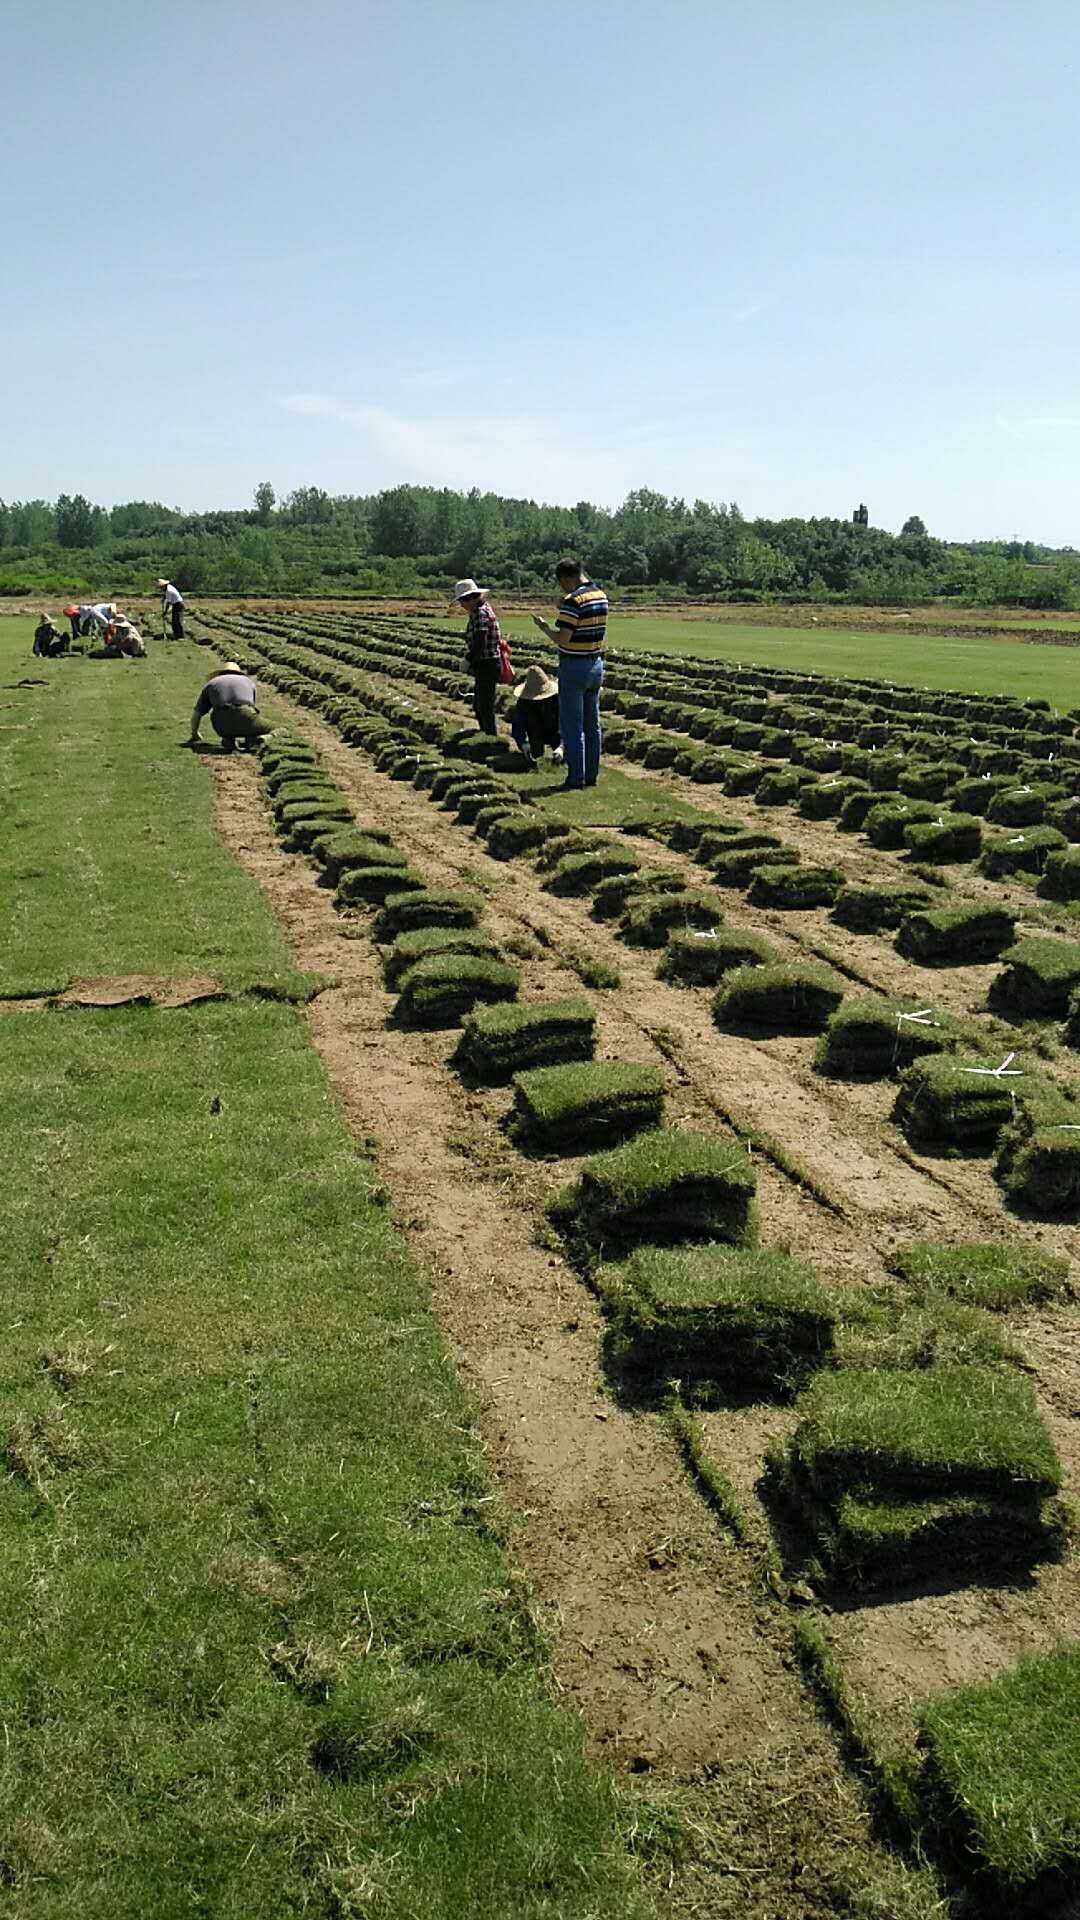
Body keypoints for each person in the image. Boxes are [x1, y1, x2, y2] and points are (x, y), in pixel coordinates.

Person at [532, 558, 608, 790]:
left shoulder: (573, 601)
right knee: (592, 725)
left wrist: (544, 627)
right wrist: (563, 607)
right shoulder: (601, 595)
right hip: (595, 663)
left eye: (562, 583)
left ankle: (575, 778)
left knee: (572, 726)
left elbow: (563, 637)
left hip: (574, 665)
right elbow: (583, 619)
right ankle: (591, 775)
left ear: (567, 578)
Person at [188, 661, 270, 752]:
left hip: (221, 724)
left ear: (221, 673)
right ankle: (260, 738)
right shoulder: (249, 682)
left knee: (226, 718)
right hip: (245, 717)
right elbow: (252, 708)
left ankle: (228, 739)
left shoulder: (212, 683)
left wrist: (195, 734)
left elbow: (197, 714)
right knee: (281, 729)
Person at [455, 577, 501, 735]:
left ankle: (491, 737)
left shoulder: (480, 613)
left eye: (462, 601)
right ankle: (486, 734)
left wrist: (469, 658)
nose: (461, 605)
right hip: (484, 663)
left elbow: (481, 637)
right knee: (479, 704)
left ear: (471, 598)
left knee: (485, 705)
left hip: (488, 663)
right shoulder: (479, 610)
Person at [510, 665, 563, 767]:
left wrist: (562, 746)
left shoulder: (557, 700)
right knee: (535, 753)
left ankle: (560, 754)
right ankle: (535, 752)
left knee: (565, 755)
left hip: (556, 731)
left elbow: (569, 724)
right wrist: (523, 743)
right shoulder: (523, 702)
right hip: (535, 731)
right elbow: (518, 724)